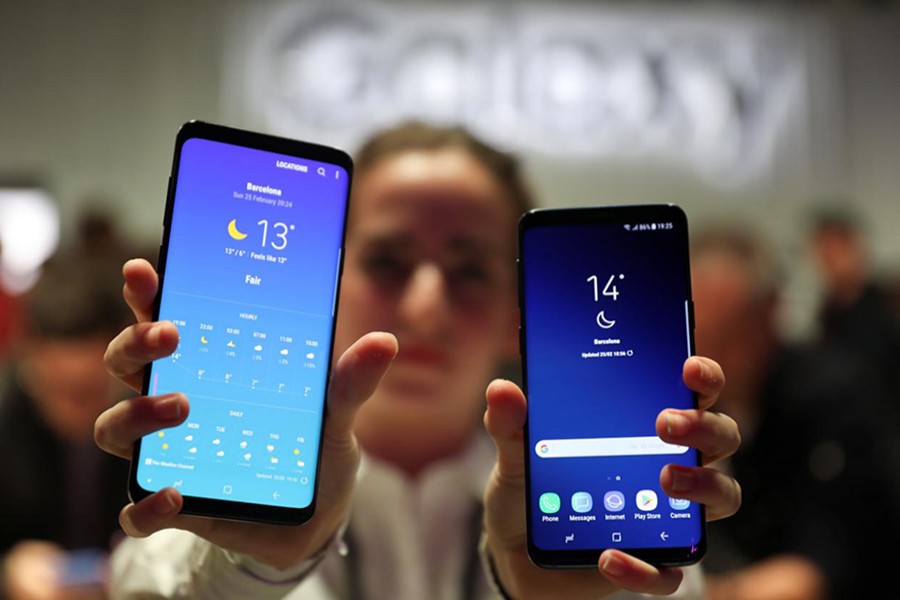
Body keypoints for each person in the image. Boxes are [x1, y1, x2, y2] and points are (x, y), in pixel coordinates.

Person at [95, 121, 741, 599]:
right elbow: (142, 583)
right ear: (325, 277)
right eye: (386, 262)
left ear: (521, 311)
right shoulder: (233, 475)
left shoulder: (602, 516)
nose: (426, 306)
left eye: (469, 270)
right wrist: (257, 567)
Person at [690, 224, 900, 599]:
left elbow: (825, 562)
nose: (711, 357)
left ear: (770, 313)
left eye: (728, 335)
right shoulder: (692, 399)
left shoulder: (835, 393)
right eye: (698, 335)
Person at [0, 251, 135, 600]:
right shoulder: (5, 415)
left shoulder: (150, 421)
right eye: (58, 391)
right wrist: (6, 570)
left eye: (89, 392)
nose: (76, 415)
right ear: (28, 359)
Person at [806, 205, 900, 430]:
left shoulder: (888, 304)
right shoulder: (827, 313)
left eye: (838, 250)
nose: (831, 262)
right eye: (824, 253)